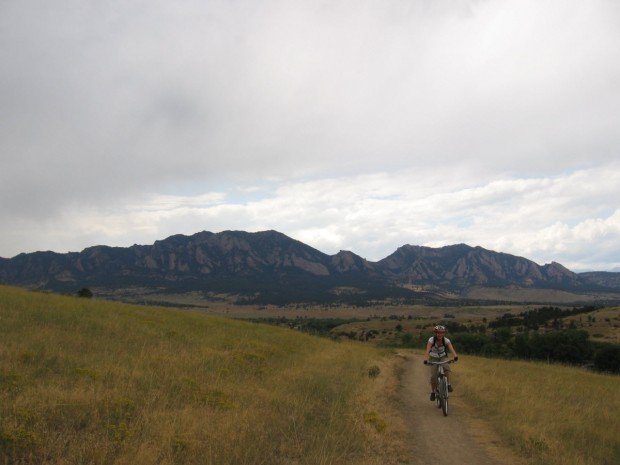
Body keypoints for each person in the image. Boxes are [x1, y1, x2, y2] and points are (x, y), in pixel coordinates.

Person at [425, 325, 458, 401]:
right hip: (433, 358)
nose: (440, 334)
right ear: (435, 333)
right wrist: (426, 359)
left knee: (446, 369)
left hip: (443, 357)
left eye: (442, 333)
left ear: (444, 333)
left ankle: (448, 384)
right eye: (438, 333)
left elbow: (451, 349)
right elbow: (427, 350)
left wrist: (455, 356)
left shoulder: (446, 340)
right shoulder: (431, 340)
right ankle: (433, 392)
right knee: (433, 377)